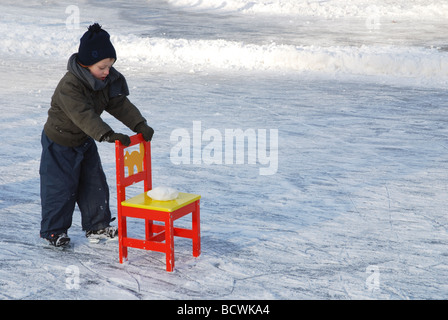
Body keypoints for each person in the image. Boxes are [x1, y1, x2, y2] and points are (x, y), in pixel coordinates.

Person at [40, 23, 154, 247]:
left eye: (110, 66)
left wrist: (139, 125)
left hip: (84, 140)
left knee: (95, 184)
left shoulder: (104, 81)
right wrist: (107, 134)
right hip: (60, 142)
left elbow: (119, 104)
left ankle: (97, 226)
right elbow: (83, 115)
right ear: (86, 63)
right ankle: (53, 231)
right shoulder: (70, 86)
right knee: (60, 188)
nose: (107, 71)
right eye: (102, 67)